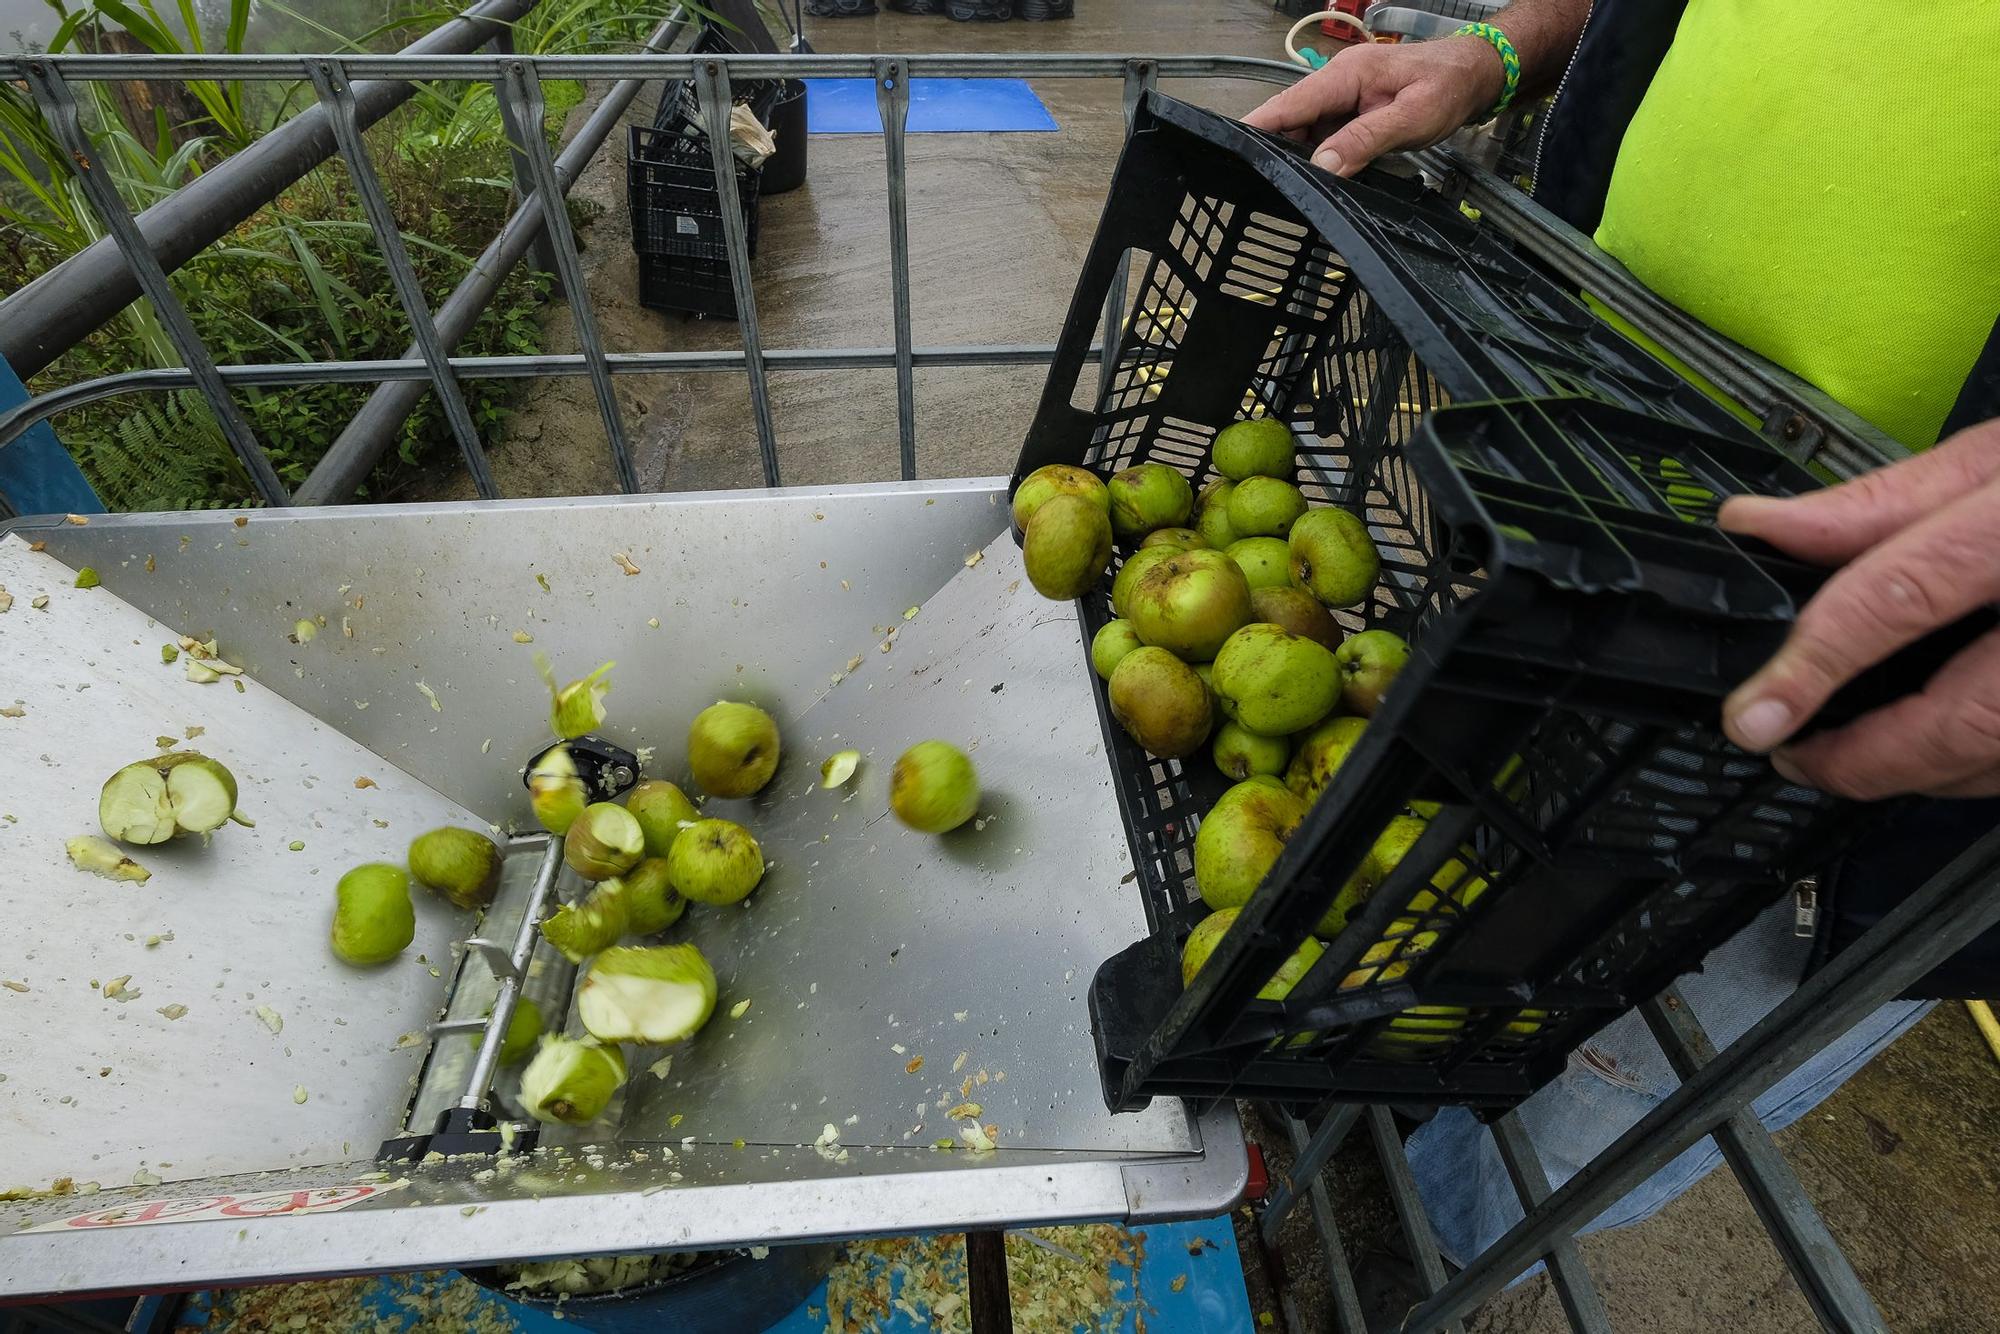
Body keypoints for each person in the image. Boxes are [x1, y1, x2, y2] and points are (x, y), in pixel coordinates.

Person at [1245, 0, 2000, 1277]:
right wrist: (1493, 50)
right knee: (1422, 869)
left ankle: (1422, 1247)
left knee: (1553, 1120)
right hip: (1574, 461)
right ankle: (1333, 1086)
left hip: (1878, 700)